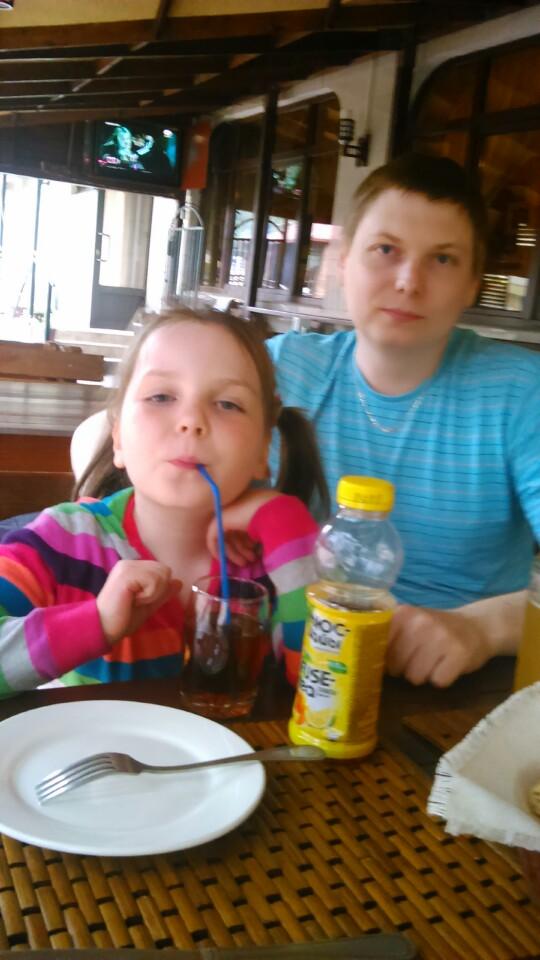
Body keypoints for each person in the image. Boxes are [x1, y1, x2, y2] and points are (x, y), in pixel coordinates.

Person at [267, 153, 540, 688]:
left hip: (459, 686)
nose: (409, 281)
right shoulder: (283, 370)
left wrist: (481, 630)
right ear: (343, 260)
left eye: (443, 259)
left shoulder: (520, 392)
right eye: (386, 250)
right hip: (290, 663)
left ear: (472, 285)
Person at [0, 307, 328, 696]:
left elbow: (322, 689)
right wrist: (97, 621)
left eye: (228, 404)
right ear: (118, 438)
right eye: (160, 396)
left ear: (263, 448)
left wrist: (282, 517)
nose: (191, 420)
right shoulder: (63, 541)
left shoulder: (277, 561)